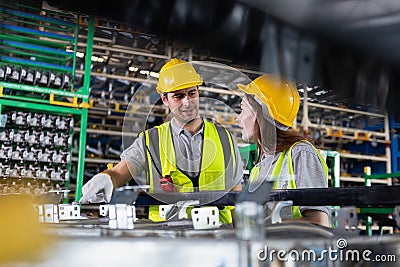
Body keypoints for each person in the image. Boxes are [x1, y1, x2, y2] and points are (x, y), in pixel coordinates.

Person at [79, 58, 243, 224]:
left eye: (192, 93)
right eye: (178, 96)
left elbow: (236, 194)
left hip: (219, 236)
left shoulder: (225, 139)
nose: (187, 102)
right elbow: (118, 173)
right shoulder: (150, 141)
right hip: (168, 237)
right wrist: (106, 178)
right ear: (165, 99)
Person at [236, 74, 330, 227]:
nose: (238, 119)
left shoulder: (301, 153)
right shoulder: (259, 166)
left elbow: (319, 221)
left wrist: (267, 225)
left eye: (242, 110)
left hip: (300, 250)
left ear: (261, 113)